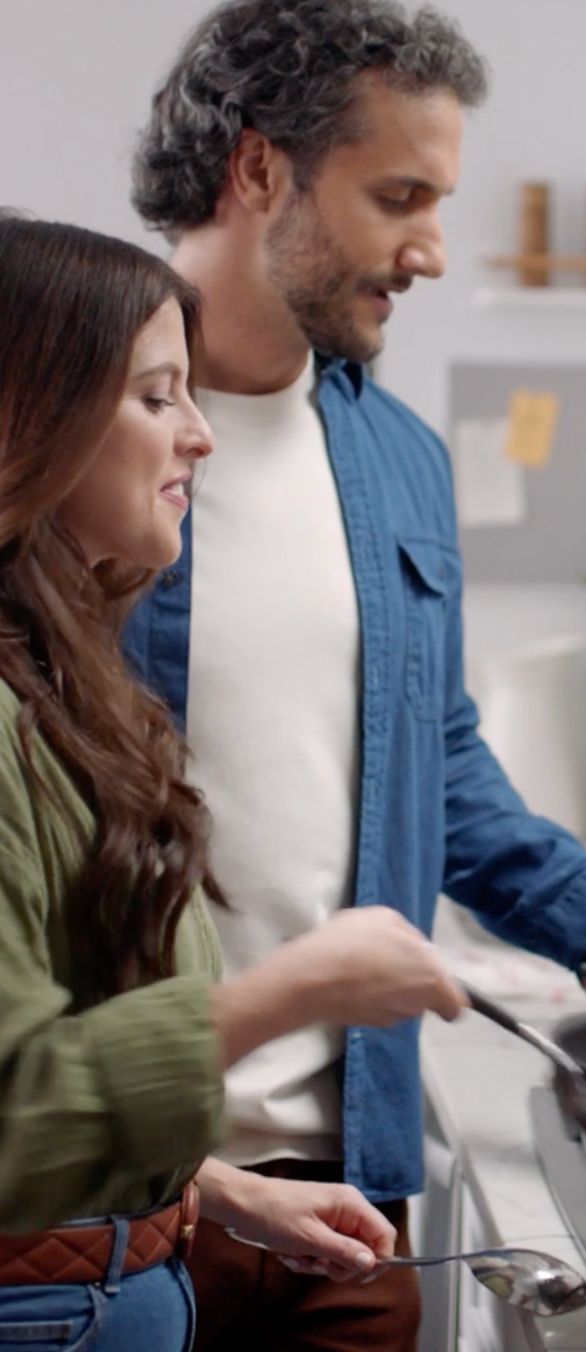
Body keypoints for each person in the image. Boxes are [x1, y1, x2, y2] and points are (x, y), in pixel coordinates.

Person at [128, 2, 586, 1348]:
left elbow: (437, 754)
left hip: (353, 1192)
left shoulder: (401, 460)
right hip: (121, 1196)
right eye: (398, 198)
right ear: (259, 168)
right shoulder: (67, 437)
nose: (431, 251)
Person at [0, 211, 467, 1351]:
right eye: (156, 397)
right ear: (30, 419)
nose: (201, 435)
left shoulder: (65, 684)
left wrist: (224, 1190)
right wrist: (291, 987)